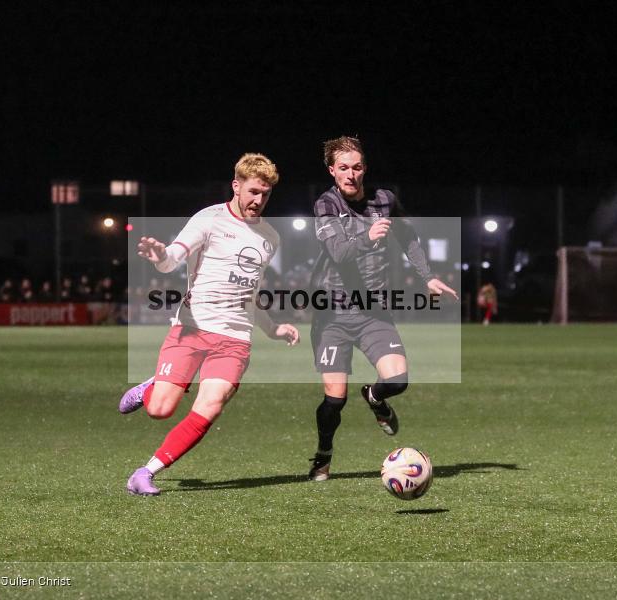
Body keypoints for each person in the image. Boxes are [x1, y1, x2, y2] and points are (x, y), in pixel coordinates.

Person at [119, 153, 300, 496]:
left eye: (265, 194)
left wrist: (272, 328)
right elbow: (173, 256)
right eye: (253, 191)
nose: (258, 200)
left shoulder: (270, 238)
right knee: (160, 409)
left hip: (235, 339)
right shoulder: (209, 219)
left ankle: (145, 472)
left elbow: (251, 295)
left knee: (210, 405)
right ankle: (151, 387)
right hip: (192, 328)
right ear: (236, 185)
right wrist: (161, 258)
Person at [307, 136, 458, 481]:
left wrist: (427, 277)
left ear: (365, 168)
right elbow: (339, 253)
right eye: (343, 168)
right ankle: (323, 455)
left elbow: (408, 237)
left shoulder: (384, 200)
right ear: (332, 170)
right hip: (333, 315)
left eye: (357, 167)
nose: (351, 174)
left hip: (373, 312)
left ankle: (375, 397)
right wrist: (368, 237)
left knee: (398, 380)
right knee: (335, 400)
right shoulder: (325, 205)